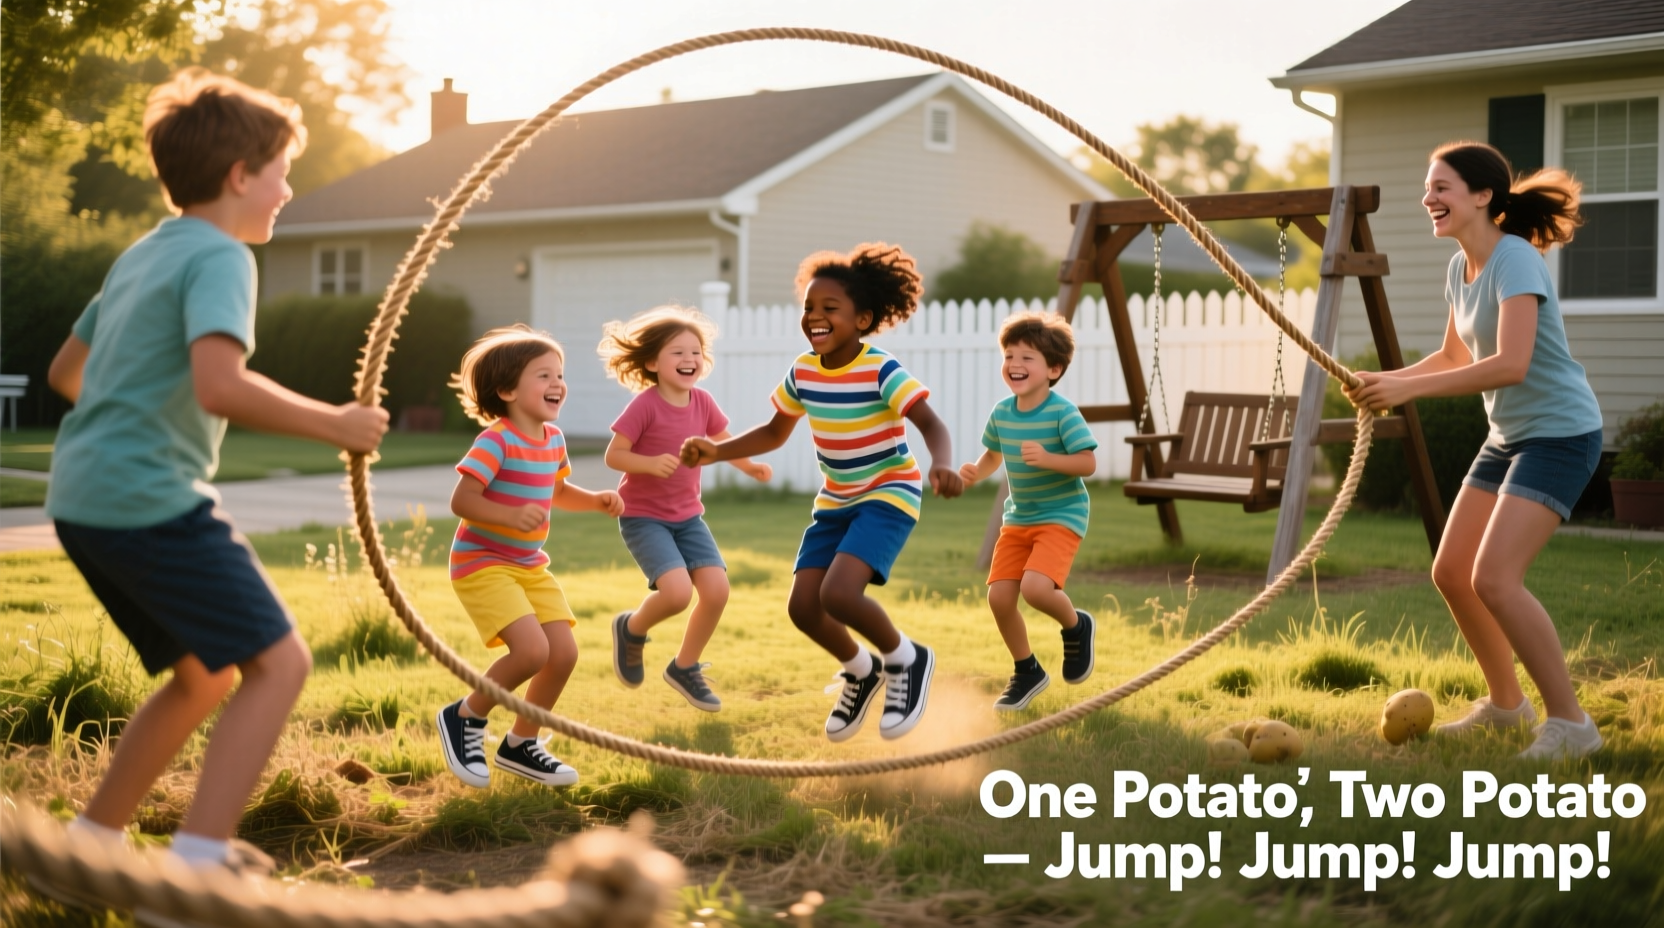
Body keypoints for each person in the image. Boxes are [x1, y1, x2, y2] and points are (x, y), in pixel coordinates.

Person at [42, 68, 388, 875]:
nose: (288, 190)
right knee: (282, 663)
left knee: (203, 674)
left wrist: (129, 413)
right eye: (281, 172)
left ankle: (90, 849)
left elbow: (65, 371)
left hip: (82, 496)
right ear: (240, 176)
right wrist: (336, 424)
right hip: (148, 499)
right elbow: (220, 386)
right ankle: (197, 867)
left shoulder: (142, 255)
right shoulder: (223, 258)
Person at [1347, 141, 1603, 760]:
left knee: (1495, 579)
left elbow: (1511, 364)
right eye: (1427, 188)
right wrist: (1387, 381)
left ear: (1483, 195)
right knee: (1452, 572)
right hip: (1508, 437)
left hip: (1560, 435)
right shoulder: (1459, 268)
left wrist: (1406, 390)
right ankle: (1508, 707)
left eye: (1442, 188)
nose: (1428, 199)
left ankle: (1572, 725)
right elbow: (1453, 356)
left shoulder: (1515, 259)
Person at [681, 243, 963, 742]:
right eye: (809, 306)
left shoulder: (881, 369)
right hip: (836, 501)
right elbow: (774, 432)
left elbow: (931, 423)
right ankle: (862, 670)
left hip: (888, 493)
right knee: (804, 608)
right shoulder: (804, 371)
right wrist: (717, 451)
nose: (815, 316)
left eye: (830, 308)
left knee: (838, 593)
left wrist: (941, 462)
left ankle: (907, 658)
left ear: (862, 319)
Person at [435, 325, 623, 789]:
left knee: (563, 654)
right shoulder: (495, 441)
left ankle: (521, 744)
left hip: (528, 565)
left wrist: (595, 500)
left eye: (560, 375)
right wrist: (509, 515)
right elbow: (463, 500)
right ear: (507, 390)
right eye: (544, 375)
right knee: (532, 651)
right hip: (482, 563)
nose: (558, 383)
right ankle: (464, 716)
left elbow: (557, 490)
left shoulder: (553, 439)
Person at [597, 305, 772, 711]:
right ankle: (632, 629)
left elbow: (722, 443)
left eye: (695, 351)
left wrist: (749, 466)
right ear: (653, 363)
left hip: (688, 517)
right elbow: (614, 455)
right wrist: (648, 464)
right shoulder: (645, 405)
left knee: (717, 591)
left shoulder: (702, 402)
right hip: (643, 518)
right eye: (677, 352)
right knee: (676, 594)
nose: (689, 358)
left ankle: (684, 666)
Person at [958, 311, 1099, 711]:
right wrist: (976, 472)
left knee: (1036, 589)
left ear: (1053, 369)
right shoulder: (1002, 412)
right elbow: (992, 455)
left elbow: (1088, 463)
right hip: (1019, 517)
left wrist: (1049, 458)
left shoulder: (1062, 412)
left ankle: (1076, 626)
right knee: (1000, 598)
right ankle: (1027, 670)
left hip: (1062, 515)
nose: (1014, 364)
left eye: (1026, 357)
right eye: (1009, 356)